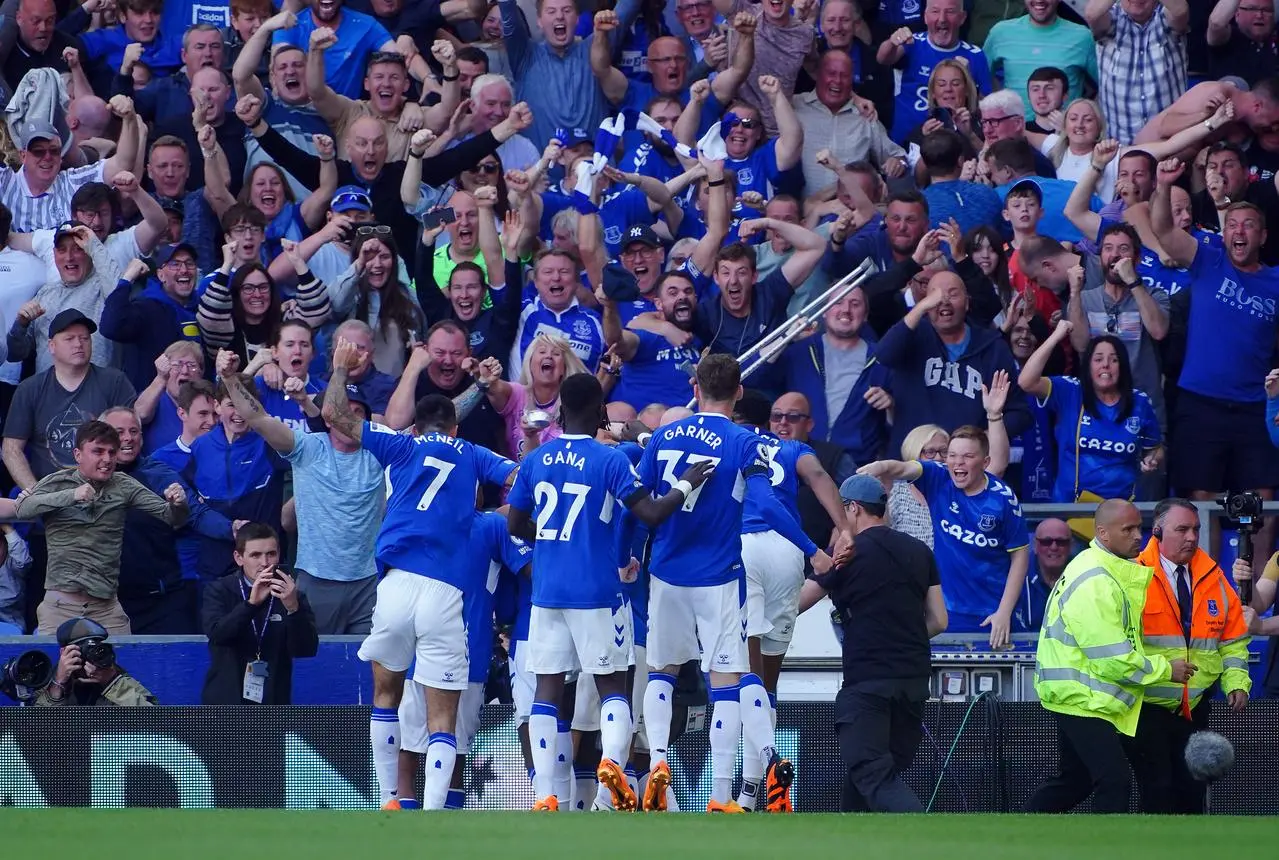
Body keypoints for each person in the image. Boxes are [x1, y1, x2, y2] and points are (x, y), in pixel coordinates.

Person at [635, 354, 832, 813]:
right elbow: (770, 503)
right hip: (718, 576)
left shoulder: (664, 434)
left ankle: (659, 761)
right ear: (739, 391)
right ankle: (723, 794)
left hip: (665, 571)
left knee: (661, 671)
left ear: (694, 386)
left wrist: (629, 555)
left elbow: (638, 501)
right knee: (727, 681)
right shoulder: (744, 442)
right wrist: (811, 548)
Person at [506, 373, 711, 812]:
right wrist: (687, 483)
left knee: (547, 689)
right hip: (597, 590)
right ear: (601, 412)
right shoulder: (610, 460)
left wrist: (553, 540)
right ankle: (608, 784)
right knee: (613, 686)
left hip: (547, 591)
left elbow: (515, 525)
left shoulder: (537, 459)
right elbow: (651, 513)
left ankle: (545, 795)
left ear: (560, 410)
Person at [322, 369, 517, 811]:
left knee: (386, 694)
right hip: (444, 592)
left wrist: (338, 366)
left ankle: (390, 799)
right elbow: (519, 478)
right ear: (455, 427)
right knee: (442, 715)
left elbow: (334, 414)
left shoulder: (401, 444)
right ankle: (432, 815)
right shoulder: (473, 453)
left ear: (417, 426)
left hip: (394, 584)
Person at [1025, 499, 1195, 814]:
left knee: (1073, 781)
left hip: (1077, 694)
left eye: (1139, 528)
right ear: (1103, 533)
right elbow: (1112, 658)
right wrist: (1164, 670)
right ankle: (1104, 847)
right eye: (1127, 529)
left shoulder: (1100, 569)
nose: (1137, 537)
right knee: (1113, 780)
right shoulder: (1096, 581)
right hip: (1081, 697)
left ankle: (1018, 835)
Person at [797, 474, 947, 812]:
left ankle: (927, 834)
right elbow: (939, 620)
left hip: (868, 680)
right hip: (913, 680)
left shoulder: (847, 554)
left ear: (853, 508)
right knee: (869, 776)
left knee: (871, 772)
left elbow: (796, 604)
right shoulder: (920, 551)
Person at [218, 350, 385, 635]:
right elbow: (256, 418)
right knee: (312, 666)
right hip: (317, 580)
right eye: (343, 410)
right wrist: (230, 378)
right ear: (329, 417)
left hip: (368, 583)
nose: (349, 419)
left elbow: (436, 427)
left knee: (367, 671)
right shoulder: (308, 447)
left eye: (357, 413)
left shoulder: (381, 449)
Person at [1131, 498, 1251, 814]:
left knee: (1191, 794)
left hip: (1195, 705)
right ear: (1156, 531)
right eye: (1182, 529)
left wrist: (1237, 682)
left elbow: (1234, 639)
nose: (1192, 537)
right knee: (1157, 792)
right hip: (1147, 705)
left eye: (1195, 529)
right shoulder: (1133, 576)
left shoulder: (1213, 575)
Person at [858, 424, 1027, 647]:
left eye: (968, 456)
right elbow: (901, 468)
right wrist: (880, 466)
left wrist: (1004, 612)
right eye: (953, 455)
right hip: (944, 612)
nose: (958, 462)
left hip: (990, 613)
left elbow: (1021, 555)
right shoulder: (938, 477)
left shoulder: (1003, 499)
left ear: (985, 462)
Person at [16, 419, 189, 635]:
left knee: (122, 667)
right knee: (55, 667)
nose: (107, 459)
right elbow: (23, 509)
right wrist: (72, 495)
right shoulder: (57, 482)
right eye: (98, 451)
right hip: (60, 606)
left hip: (107, 608)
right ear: (78, 454)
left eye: (112, 452)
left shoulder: (124, 484)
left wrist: (178, 504)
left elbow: (172, 517)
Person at [1017, 323, 1162, 503]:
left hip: (1121, 512)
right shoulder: (1070, 391)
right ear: (1088, 365)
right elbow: (1026, 381)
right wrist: (1056, 336)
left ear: (1123, 366)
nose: (1106, 365)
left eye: (1114, 360)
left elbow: (1155, 448)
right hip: (1070, 509)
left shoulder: (1139, 402)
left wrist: (1152, 460)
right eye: (1098, 359)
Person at [200, 523, 319, 705]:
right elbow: (217, 635)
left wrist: (293, 610)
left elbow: (305, 649)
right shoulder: (219, 590)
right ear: (239, 558)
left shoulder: (291, 594)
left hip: (273, 702)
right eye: (255, 555)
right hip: (225, 702)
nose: (264, 563)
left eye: (271, 554)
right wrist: (250, 605)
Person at [34, 618, 158, 706]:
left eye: (97, 646)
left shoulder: (113, 674)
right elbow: (35, 733)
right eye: (86, 648)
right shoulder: (50, 680)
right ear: (65, 652)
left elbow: (154, 721)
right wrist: (58, 683)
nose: (94, 653)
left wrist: (111, 683)